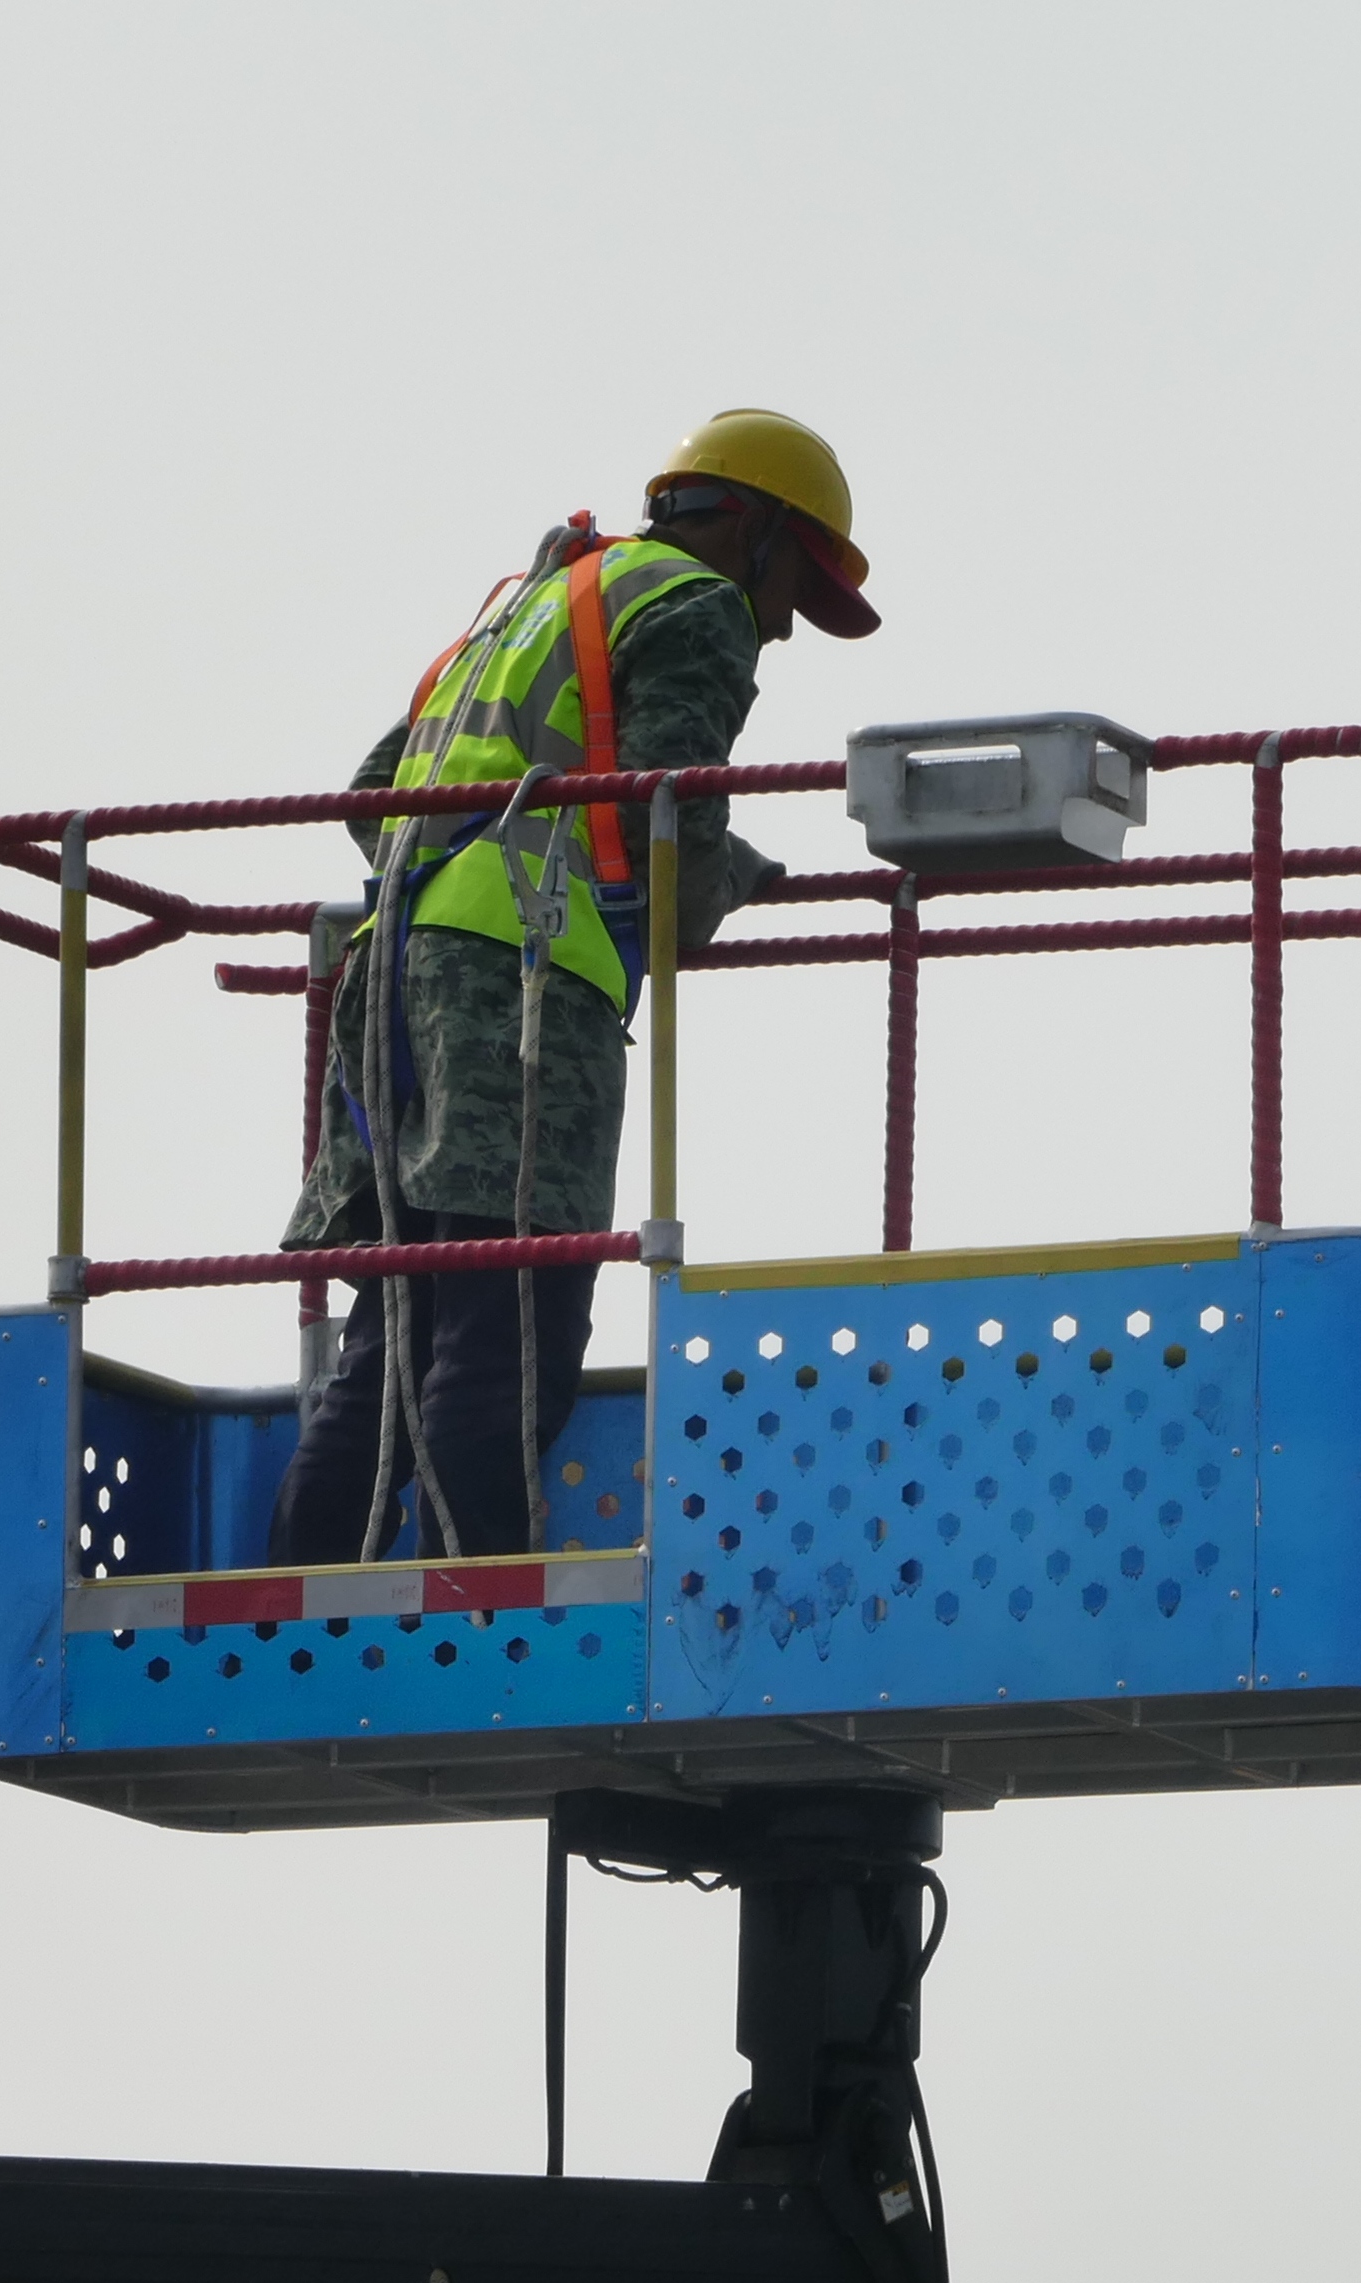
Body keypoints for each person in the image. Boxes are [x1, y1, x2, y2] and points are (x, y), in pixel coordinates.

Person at [261, 408, 877, 1567]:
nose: (786, 626)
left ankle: (304, 1593)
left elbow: (369, 793)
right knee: (512, 1322)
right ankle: (486, 1605)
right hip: (525, 985)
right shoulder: (694, 605)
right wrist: (719, 886)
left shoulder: (533, 601)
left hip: (394, 970)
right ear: (748, 530)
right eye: (796, 581)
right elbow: (668, 811)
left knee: (401, 1326)